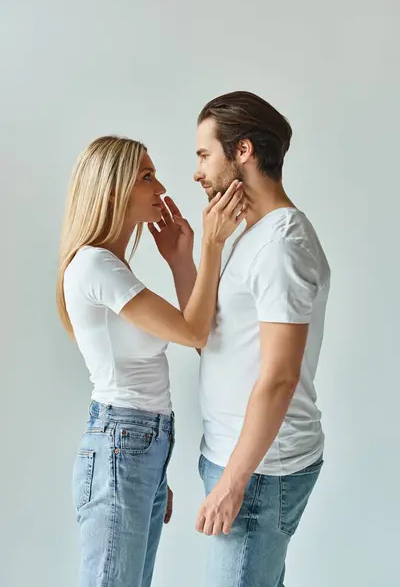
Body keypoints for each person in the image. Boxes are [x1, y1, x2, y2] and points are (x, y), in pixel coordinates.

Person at [56, 135, 246, 587]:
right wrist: (211, 247)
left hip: (140, 443)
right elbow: (194, 331)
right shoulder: (95, 265)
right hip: (123, 440)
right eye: (146, 176)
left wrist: (181, 259)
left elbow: (201, 338)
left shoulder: (111, 267)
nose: (160, 188)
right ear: (114, 189)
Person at [157, 91, 331, 586]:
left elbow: (279, 376)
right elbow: (206, 335)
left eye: (203, 154)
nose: (196, 172)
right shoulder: (252, 236)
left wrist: (234, 485)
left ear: (243, 151)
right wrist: (184, 259)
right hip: (239, 460)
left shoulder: (281, 246)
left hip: (259, 473)